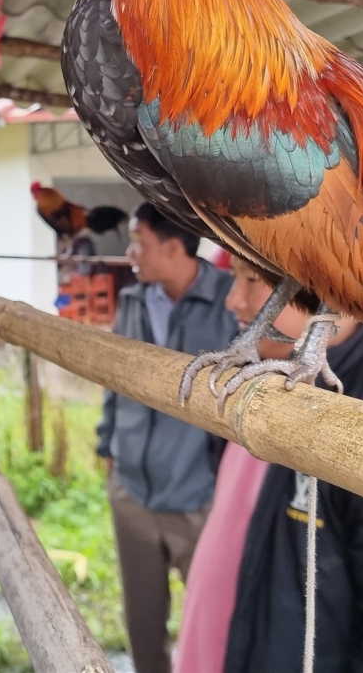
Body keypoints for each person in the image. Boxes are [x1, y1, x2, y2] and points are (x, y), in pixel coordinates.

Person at [174, 255, 363, 673]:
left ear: (325, 283)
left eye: (253, 279)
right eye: (234, 278)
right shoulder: (254, 383)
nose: (232, 300)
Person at [96, 203, 239, 673]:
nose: (132, 252)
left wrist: (222, 485)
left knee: (214, 619)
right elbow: (115, 381)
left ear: (174, 247)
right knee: (142, 619)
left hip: (198, 497)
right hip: (132, 491)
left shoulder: (231, 303)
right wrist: (107, 447)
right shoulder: (133, 301)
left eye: (140, 241)